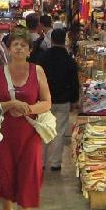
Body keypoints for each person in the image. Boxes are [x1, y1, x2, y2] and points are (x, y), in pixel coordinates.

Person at [0, 27, 52, 210]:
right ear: (8, 48)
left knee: (29, 176)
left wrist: (29, 109)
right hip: (4, 135)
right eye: (15, 44)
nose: (19, 48)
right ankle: (6, 208)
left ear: (30, 50)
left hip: (30, 133)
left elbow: (47, 102)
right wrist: (10, 104)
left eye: (24, 45)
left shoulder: (38, 71)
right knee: (4, 175)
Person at [38, 28, 80, 171]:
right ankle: (55, 162)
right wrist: (74, 100)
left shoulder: (43, 58)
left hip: (44, 100)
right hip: (63, 100)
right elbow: (74, 82)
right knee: (59, 131)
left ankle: (42, 162)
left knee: (43, 129)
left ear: (52, 40)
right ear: (65, 40)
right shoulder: (69, 60)